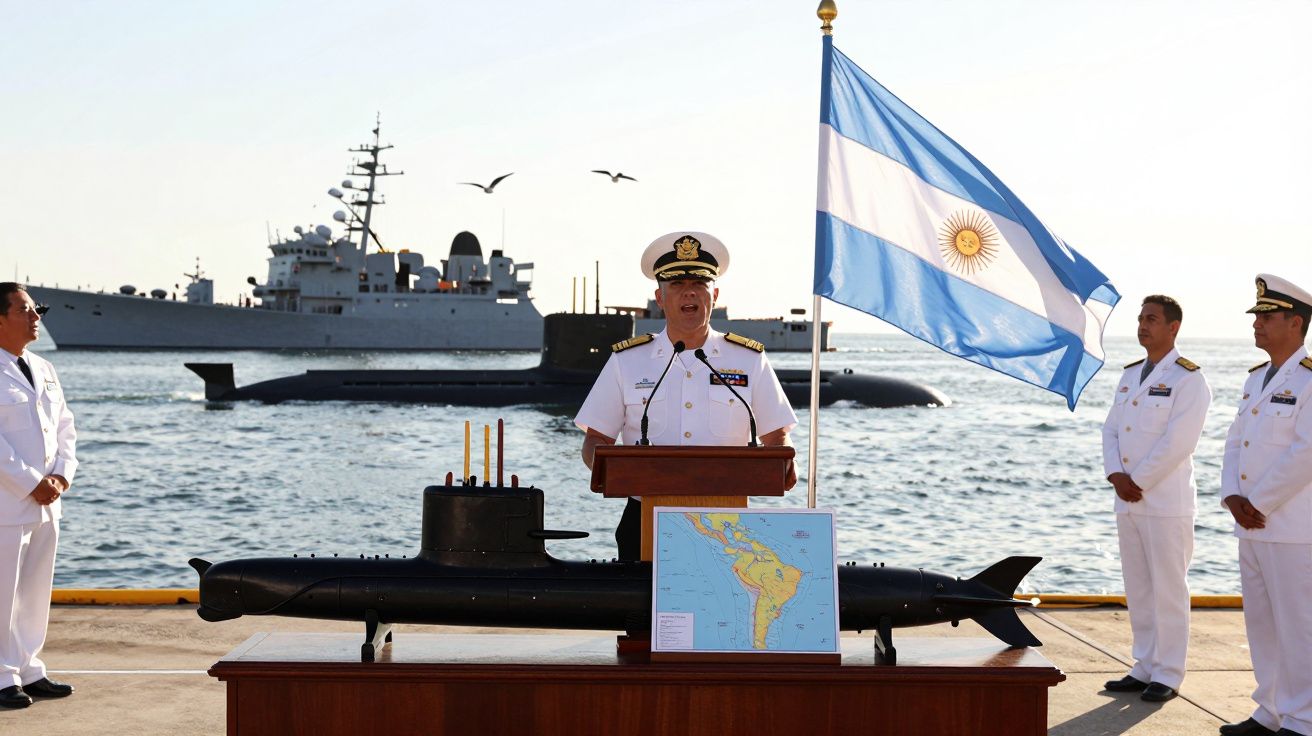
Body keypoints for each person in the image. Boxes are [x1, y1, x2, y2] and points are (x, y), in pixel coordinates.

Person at [575, 232, 798, 560]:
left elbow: (776, 436)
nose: (689, 292)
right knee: (640, 612)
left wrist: (784, 463)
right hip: (644, 521)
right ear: (660, 298)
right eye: (677, 285)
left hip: (730, 524)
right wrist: (613, 473)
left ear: (715, 294)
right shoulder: (627, 361)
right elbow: (595, 439)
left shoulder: (748, 360)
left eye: (699, 283)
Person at [1100, 295, 1211, 703]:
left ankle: (1168, 672)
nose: (1143, 325)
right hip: (1128, 499)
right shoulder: (1130, 375)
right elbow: (1110, 429)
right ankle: (1143, 665)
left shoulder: (1188, 380)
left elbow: (1179, 442)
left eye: (1152, 319)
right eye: (1141, 318)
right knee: (1139, 586)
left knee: (1168, 588)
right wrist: (1115, 474)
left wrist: (1137, 480)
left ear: (1173, 327)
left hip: (1164, 502)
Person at [1218, 274, 1312, 736]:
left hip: (1293, 524)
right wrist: (1232, 496)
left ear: (1295, 323)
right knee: (1262, 623)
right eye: (1257, 316)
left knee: (1299, 628)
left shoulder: (1310, 379)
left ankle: (1304, 720)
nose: (1257, 324)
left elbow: (1306, 451)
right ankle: (1270, 712)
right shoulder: (1256, 379)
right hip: (1251, 522)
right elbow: (1236, 442)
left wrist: (1257, 501)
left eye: (1267, 317)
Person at [0, 283, 78, 709]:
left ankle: (29, 669)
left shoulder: (44, 368)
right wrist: (32, 481)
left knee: (34, 590)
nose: (36, 317)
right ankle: (0, 675)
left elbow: (65, 428)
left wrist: (61, 477)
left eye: (37, 309)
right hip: (8, 503)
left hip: (48, 502)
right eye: (26, 310)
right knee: (1, 591)